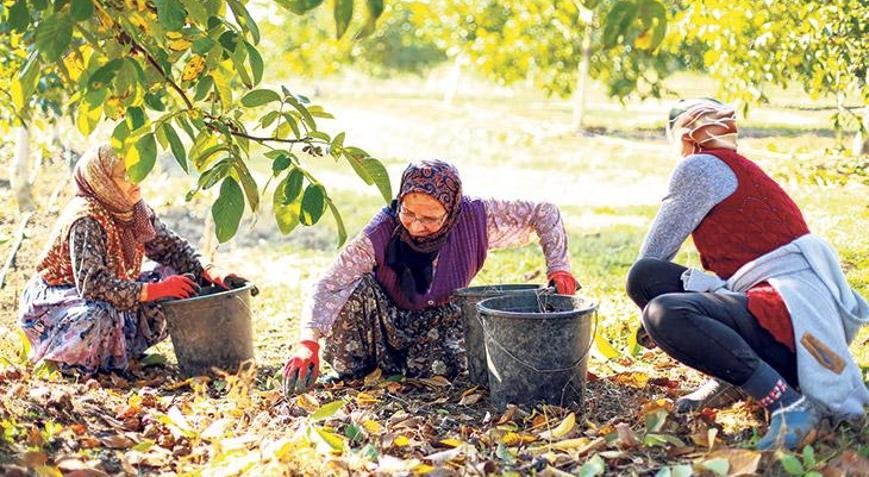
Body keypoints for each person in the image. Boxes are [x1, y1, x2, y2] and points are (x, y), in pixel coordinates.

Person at [625, 98, 868, 449]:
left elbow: (655, 249)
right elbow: (650, 269)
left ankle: (787, 404)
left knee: (662, 313)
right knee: (647, 277)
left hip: (788, 322)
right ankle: (731, 378)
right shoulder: (737, 167)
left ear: (683, 134)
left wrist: (650, 325)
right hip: (793, 316)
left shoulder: (698, 168)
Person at [283, 159, 578, 393]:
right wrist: (308, 342)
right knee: (354, 290)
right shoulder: (382, 229)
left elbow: (544, 211)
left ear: (451, 211)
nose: (415, 226)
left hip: (440, 321)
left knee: (469, 349)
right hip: (386, 321)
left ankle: (414, 369)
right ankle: (370, 368)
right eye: (408, 213)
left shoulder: (475, 217)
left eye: (430, 218)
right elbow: (330, 283)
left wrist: (559, 266)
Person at [18, 144, 244, 375]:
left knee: (177, 277)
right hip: (60, 302)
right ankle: (69, 362)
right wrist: (156, 290)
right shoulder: (86, 219)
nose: (134, 179)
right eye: (123, 175)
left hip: (110, 291)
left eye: (135, 169)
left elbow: (172, 249)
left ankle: (121, 351)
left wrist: (209, 269)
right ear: (102, 181)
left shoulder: (134, 209)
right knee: (99, 314)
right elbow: (93, 285)